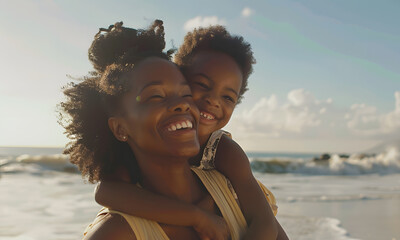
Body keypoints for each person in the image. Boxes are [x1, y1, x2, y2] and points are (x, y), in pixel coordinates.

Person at [94, 25, 289, 240]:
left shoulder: (223, 151)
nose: (213, 101)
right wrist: (196, 217)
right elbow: (107, 193)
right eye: (201, 85)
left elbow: (264, 221)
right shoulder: (136, 156)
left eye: (227, 98)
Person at [60, 20, 249, 240]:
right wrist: (195, 217)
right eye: (156, 95)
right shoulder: (115, 233)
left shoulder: (228, 185)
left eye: (186, 93)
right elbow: (105, 191)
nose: (182, 104)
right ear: (120, 128)